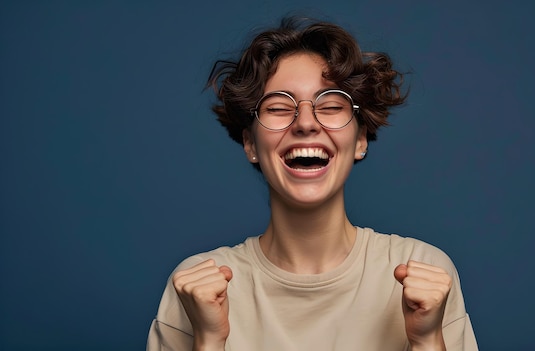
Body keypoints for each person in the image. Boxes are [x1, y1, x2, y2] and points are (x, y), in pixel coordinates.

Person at [147, 16, 478, 351]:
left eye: (331, 105)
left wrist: (426, 340)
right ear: (250, 144)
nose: (306, 122)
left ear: (361, 139)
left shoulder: (426, 270)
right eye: (278, 107)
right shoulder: (194, 286)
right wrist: (208, 340)